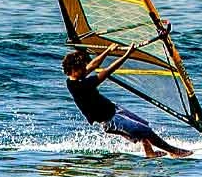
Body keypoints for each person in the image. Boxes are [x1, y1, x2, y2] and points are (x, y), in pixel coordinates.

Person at [63, 30, 191, 158]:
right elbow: (108, 71)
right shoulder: (80, 86)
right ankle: (174, 152)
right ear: (74, 70)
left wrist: (108, 50)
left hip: (114, 109)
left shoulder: (74, 78)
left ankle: (149, 152)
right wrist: (127, 54)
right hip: (111, 120)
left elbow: (93, 65)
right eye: (82, 69)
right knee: (144, 130)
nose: (85, 70)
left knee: (143, 125)